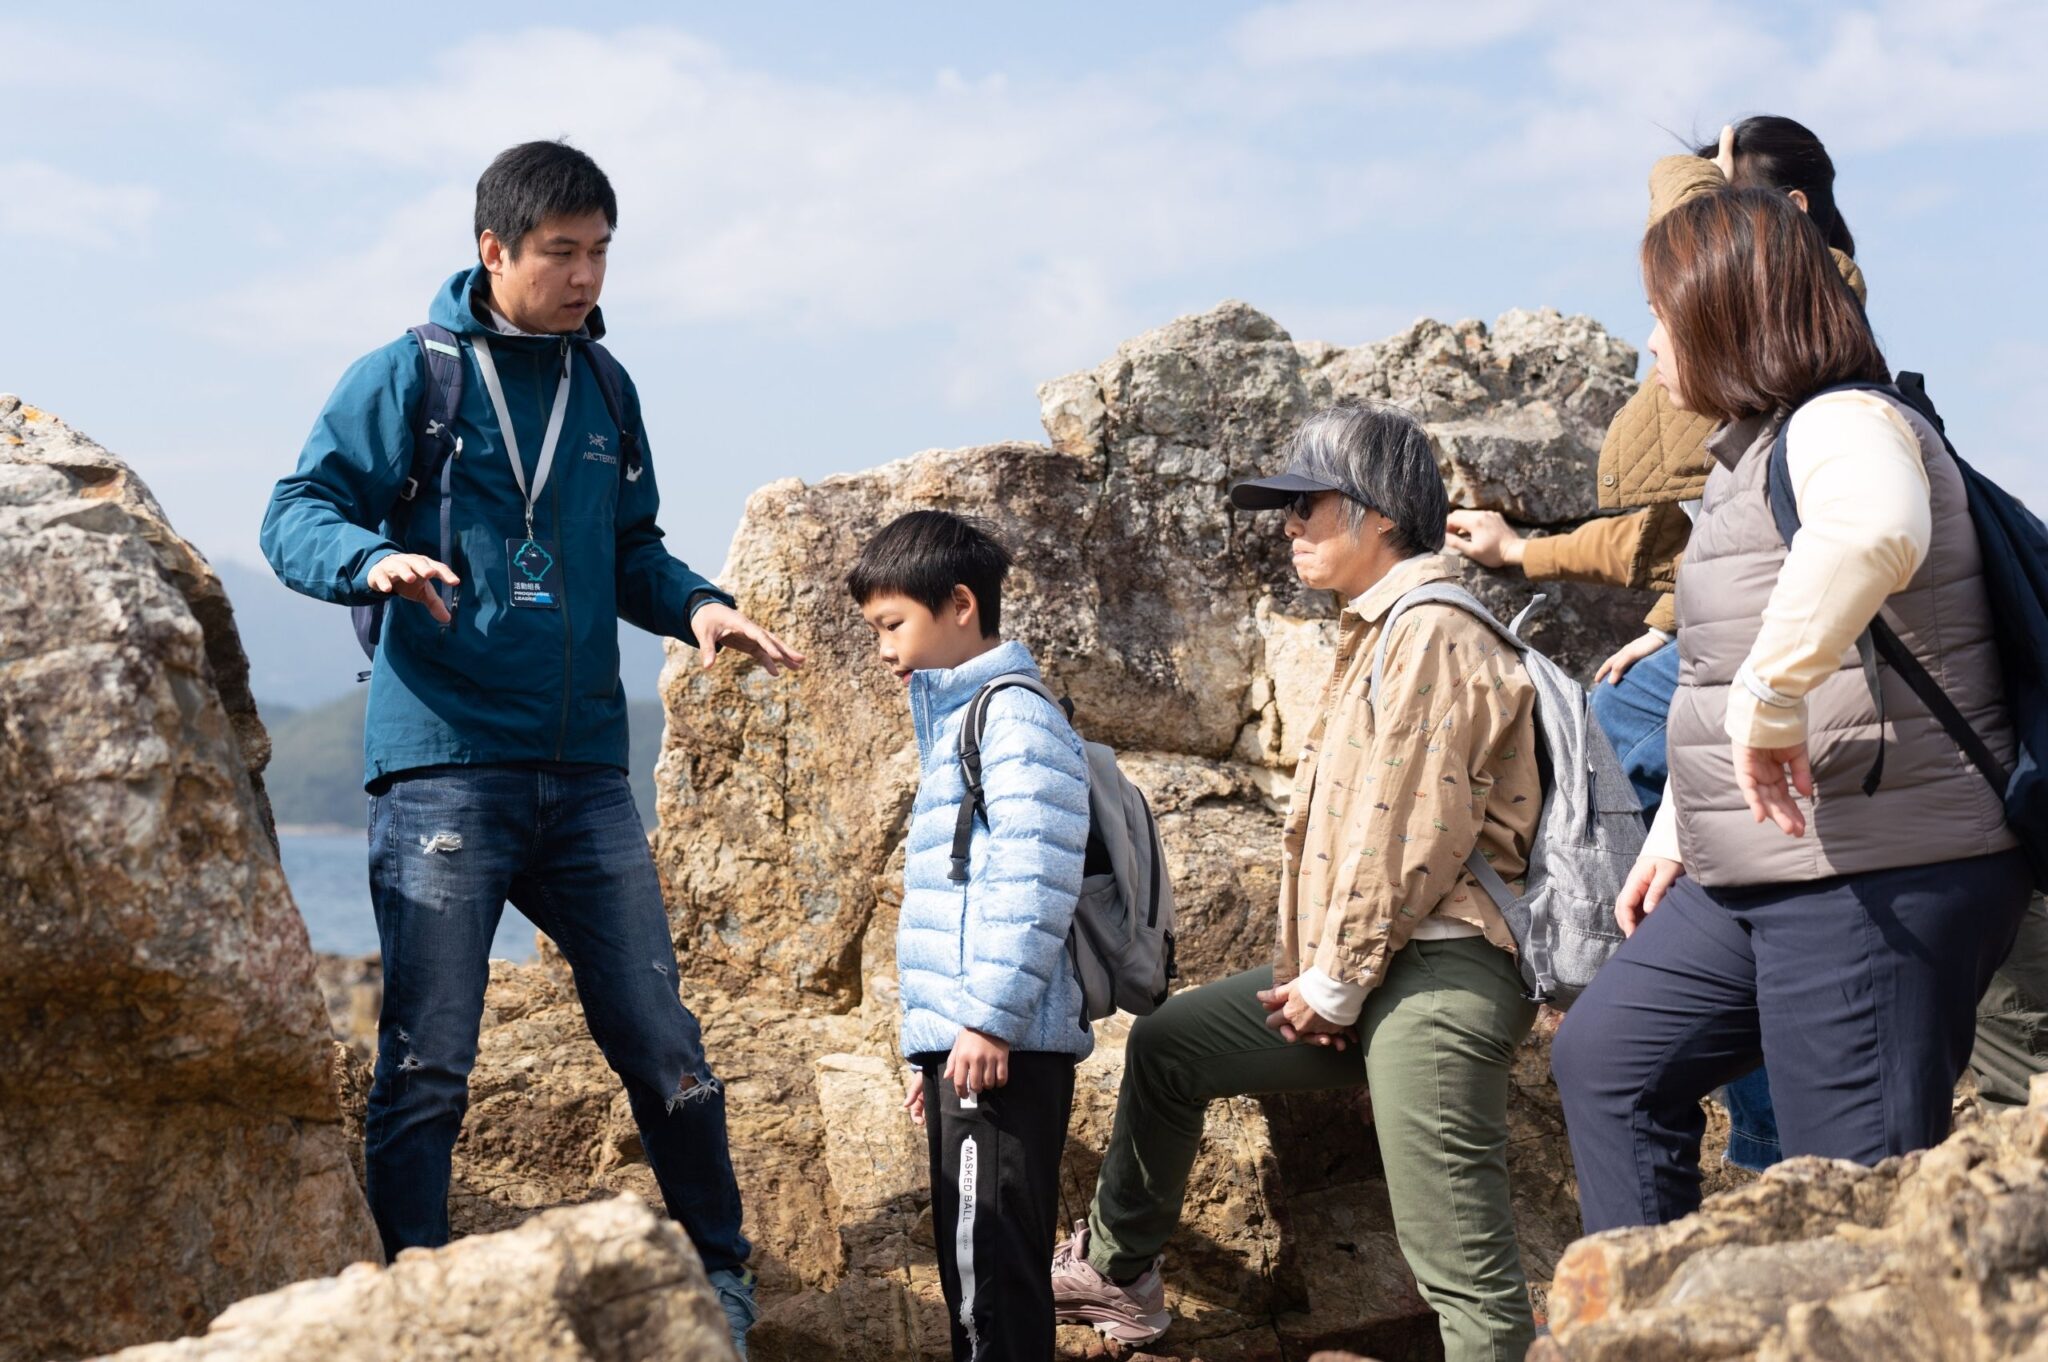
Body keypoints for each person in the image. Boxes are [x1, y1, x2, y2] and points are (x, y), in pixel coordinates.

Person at [259, 140, 802, 1357]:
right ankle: (413, 1295)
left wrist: (699, 607)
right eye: (561, 250)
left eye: (601, 250)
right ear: (493, 250)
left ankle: (720, 1277)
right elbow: (297, 509)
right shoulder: (411, 375)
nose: (585, 274)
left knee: (664, 1045)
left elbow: (634, 551)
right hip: (444, 757)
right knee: (428, 1063)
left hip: (585, 773)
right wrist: (369, 560)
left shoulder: (608, 391)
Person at [1550, 186, 2035, 1232]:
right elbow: (1721, 665)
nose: (1647, 342)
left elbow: (1868, 533)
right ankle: (1651, 1333)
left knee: (1847, 1208)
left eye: (1661, 312)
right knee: (1609, 1059)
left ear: (1729, 316)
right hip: (1770, 862)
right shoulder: (1750, 454)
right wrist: (1681, 827)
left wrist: (1771, 703)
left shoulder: (1842, 422)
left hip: (1881, 872)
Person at [1050, 404, 1544, 1362]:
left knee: (1460, 1266)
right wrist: (1332, 978)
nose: (1289, 526)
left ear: (1378, 516)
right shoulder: (1386, 629)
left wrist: (1334, 984)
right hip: (1378, 972)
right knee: (1171, 1047)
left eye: (1308, 504)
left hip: (1441, 978)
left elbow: (1405, 836)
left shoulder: (1435, 633)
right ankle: (1119, 1272)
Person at [1449, 116, 1868, 1176]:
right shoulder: (1786, 364)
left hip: (1802, 719)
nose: (1648, 336)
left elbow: (1819, 537)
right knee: (1618, 741)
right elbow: (1696, 530)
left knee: (1652, 797)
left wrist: (1699, 154)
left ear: (1783, 223)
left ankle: (1744, 1112)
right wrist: (1661, 624)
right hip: (1722, 667)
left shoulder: (1813, 317)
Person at [849, 510, 1093, 1362]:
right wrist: (936, 1045)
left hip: (1002, 1042)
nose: (884, 649)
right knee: (985, 1270)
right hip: (976, 1044)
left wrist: (986, 1021)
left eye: (892, 626)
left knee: (987, 1275)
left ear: (959, 604)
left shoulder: (1011, 721)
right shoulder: (965, 720)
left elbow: (1034, 882)